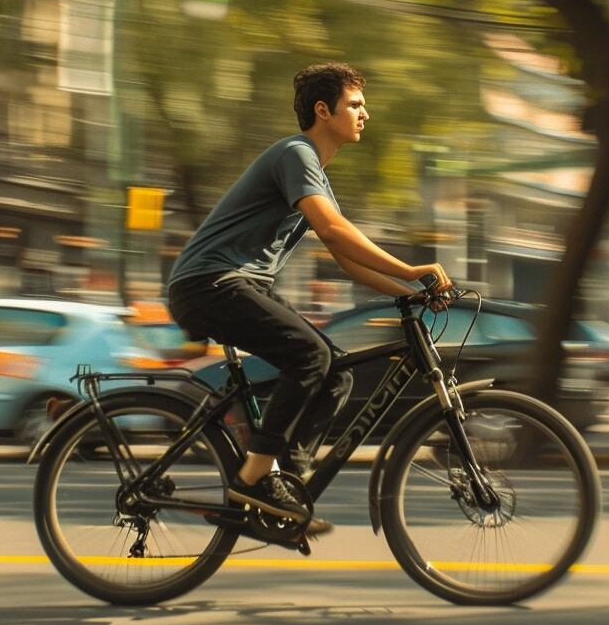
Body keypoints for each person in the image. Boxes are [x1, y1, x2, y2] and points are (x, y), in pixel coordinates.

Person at [166, 62, 451, 537]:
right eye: (355, 104)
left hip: (239, 285)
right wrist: (409, 269)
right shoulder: (295, 154)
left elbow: (343, 254)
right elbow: (335, 229)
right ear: (324, 110)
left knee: (334, 374)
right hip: (211, 282)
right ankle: (251, 482)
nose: (366, 113)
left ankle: (281, 487)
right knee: (311, 355)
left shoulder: (314, 171)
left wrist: (409, 294)